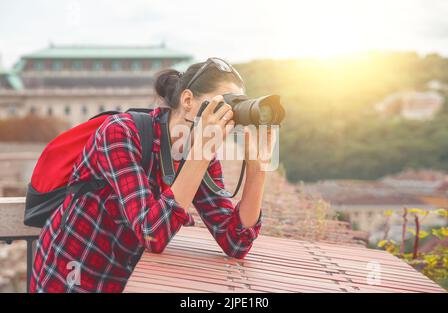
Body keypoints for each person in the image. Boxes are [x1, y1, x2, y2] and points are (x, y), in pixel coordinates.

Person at [30, 58, 273, 293]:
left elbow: (236, 242)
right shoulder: (121, 133)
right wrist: (201, 153)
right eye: (223, 105)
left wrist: (258, 169)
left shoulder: (200, 155)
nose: (227, 116)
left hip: (124, 279)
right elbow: (152, 233)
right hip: (71, 273)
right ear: (187, 100)